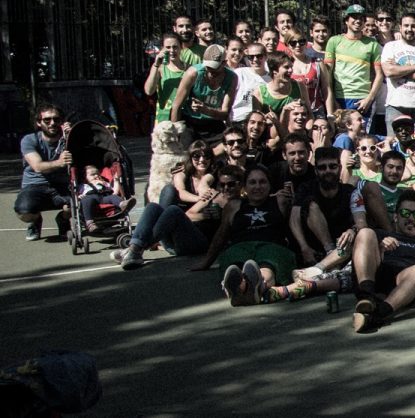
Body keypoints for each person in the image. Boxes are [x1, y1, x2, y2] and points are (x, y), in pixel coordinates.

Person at [195, 165, 296, 304]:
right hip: (240, 247)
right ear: (245, 187)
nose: (257, 186)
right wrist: (206, 262)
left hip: (272, 246)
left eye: (262, 182)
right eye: (252, 182)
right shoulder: (234, 206)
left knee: (267, 266)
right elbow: (221, 235)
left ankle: (258, 286)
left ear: (270, 185)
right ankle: (239, 288)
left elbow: (294, 224)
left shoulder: (280, 202)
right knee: (234, 265)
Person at [349, 189, 415, 333]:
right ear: (396, 217)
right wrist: (381, 248)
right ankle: (366, 297)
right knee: (365, 233)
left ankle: (377, 315)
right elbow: (363, 254)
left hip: (402, 285)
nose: (411, 218)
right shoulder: (380, 234)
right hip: (375, 276)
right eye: (405, 213)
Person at [116, 169, 235, 270]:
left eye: (231, 184)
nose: (226, 188)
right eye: (222, 185)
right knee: (153, 207)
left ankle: (135, 249)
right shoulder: (213, 195)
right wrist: (204, 215)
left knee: (174, 210)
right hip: (181, 239)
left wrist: (222, 214)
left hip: (201, 244)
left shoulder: (238, 203)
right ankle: (135, 248)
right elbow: (189, 214)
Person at [322, 5, 385, 130]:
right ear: (346, 20)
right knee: (341, 135)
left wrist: (369, 98)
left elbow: (379, 74)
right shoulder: (334, 41)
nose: (358, 21)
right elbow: (327, 75)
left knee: (363, 136)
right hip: (340, 98)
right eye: (354, 17)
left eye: (361, 18)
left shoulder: (372, 44)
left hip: (362, 99)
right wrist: (332, 99)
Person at [16, 105, 73, 241]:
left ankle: (63, 219)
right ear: (38, 123)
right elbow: (38, 166)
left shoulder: (68, 138)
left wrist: (73, 135)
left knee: (85, 202)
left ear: (62, 122)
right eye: (47, 120)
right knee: (24, 211)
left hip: (63, 185)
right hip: (35, 185)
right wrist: (59, 162)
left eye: (56, 119)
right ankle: (35, 220)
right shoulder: (30, 140)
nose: (52, 123)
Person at [380, 13, 415, 135]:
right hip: (396, 105)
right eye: (406, 26)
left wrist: (399, 69)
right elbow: (389, 71)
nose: (409, 29)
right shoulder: (390, 47)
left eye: (413, 26)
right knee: (395, 143)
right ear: (400, 27)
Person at [170, 44, 238, 140]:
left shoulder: (232, 78)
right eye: (208, 67)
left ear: (224, 63)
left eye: (214, 68)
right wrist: (175, 135)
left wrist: (205, 110)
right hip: (190, 121)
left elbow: (225, 113)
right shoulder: (193, 73)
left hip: (213, 123)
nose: (210, 71)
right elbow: (176, 106)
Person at [145, 33, 189, 125]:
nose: (172, 50)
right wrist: (156, 64)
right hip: (164, 118)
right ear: (162, 49)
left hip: (185, 116)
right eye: (168, 47)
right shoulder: (160, 68)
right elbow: (149, 91)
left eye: (175, 47)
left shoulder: (189, 69)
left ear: (181, 47)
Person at [77, 165, 132, 234]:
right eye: (93, 175)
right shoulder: (83, 186)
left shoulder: (105, 183)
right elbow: (77, 194)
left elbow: (115, 192)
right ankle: (90, 223)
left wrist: (116, 181)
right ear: (85, 177)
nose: (96, 176)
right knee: (86, 200)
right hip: (91, 198)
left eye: (98, 174)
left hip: (104, 197)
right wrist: (79, 196)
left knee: (113, 197)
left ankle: (123, 204)